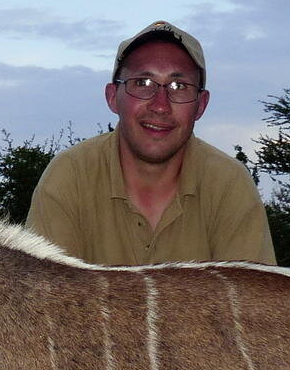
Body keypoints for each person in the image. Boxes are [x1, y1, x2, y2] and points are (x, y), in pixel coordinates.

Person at [25, 21, 276, 266]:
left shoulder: (229, 183)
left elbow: (253, 304)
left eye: (179, 86)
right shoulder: (69, 176)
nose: (160, 105)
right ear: (113, 97)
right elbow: (46, 301)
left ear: (201, 105)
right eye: (143, 83)